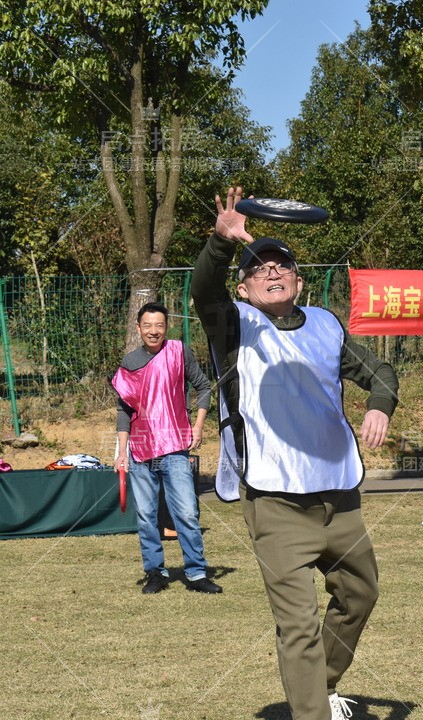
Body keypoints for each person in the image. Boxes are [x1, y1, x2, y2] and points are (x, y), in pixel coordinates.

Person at [192, 187, 398, 720]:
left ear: (299, 281)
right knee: (298, 624)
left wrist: (379, 404)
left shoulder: (327, 326)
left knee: (360, 596)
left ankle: (317, 686)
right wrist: (220, 241)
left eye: (283, 263)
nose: (273, 269)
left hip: (339, 496)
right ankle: (312, 710)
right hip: (275, 500)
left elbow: (380, 371)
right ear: (245, 286)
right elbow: (202, 287)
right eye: (260, 265)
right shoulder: (232, 324)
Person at [110, 302, 221, 595]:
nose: (153, 331)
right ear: (138, 328)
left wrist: (197, 426)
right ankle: (155, 573)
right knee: (146, 516)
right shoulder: (129, 362)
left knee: (186, 511)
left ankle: (196, 573)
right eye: (147, 325)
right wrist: (120, 453)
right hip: (140, 448)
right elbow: (124, 412)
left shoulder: (178, 352)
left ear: (166, 326)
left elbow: (204, 387)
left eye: (159, 325)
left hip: (174, 447)